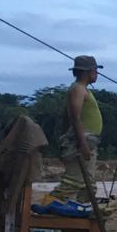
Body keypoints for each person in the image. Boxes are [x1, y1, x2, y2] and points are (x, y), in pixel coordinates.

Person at [43, 55, 104, 206]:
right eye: (95, 71)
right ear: (88, 72)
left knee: (88, 185)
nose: (96, 74)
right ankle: (46, 207)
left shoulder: (83, 90)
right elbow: (75, 116)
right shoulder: (77, 89)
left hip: (89, 141)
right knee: (73, 182)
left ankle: (82, 218)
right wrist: (82, 144)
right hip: (81, 142)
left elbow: (67, 118)